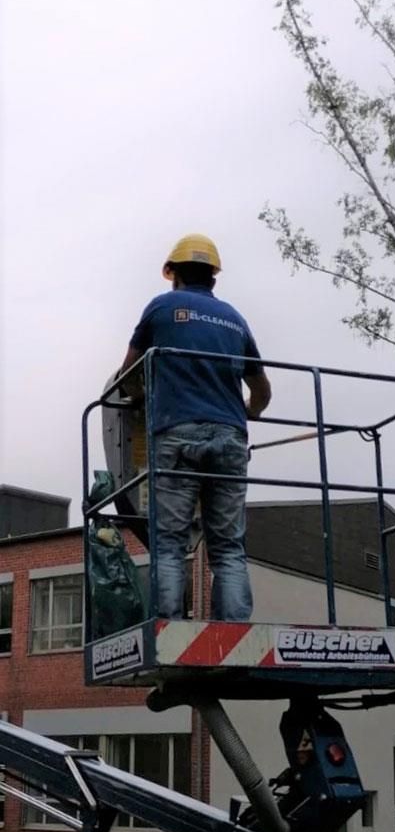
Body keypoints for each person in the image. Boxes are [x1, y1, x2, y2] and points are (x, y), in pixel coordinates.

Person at [120, 234, 271, 621]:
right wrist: (249, 412)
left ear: (174, 276)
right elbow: (262, 389)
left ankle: (168, 627)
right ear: (213, 280)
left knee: (169, 543)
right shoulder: (235, 319)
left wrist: (138, 397)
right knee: (229, 547)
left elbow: (129, 374)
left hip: (176, 434)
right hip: (230, 438)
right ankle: (235, 630)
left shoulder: (161, 307)